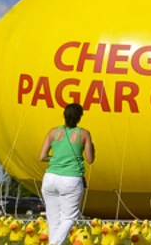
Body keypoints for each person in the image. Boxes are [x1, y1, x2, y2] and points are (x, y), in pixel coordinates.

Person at [38, 103, 95, 245]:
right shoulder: (84, 134)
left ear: (64, 115)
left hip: (50, 178)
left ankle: (54, 242)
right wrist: (91, 147)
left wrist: (56, 158)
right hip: (71, 179)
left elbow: (42, 156)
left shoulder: (53, 132)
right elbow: (90, 159)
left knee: (53, 221)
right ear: (80, 117)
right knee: (69, 218)